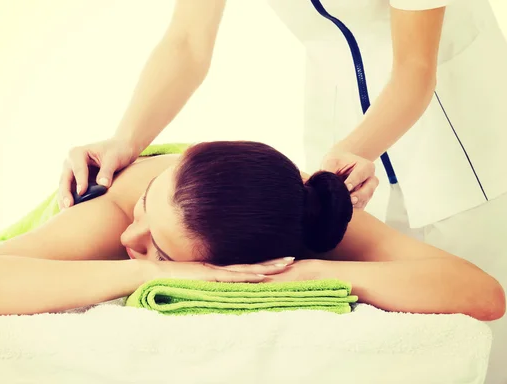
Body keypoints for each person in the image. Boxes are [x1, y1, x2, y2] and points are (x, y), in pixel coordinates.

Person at [57, 2, 507, 381]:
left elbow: (415, 68)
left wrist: (355, 151)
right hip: (336, 115)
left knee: (482, 341)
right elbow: (188, 43)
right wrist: (127, 140)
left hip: (458, 130)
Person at [0, 141, 504, 326]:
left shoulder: (301, 209)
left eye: (156, 244)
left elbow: (481, 294)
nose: (132, 233)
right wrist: (151, 266)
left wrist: (311, 271)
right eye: (148, 212)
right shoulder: (121, 206)